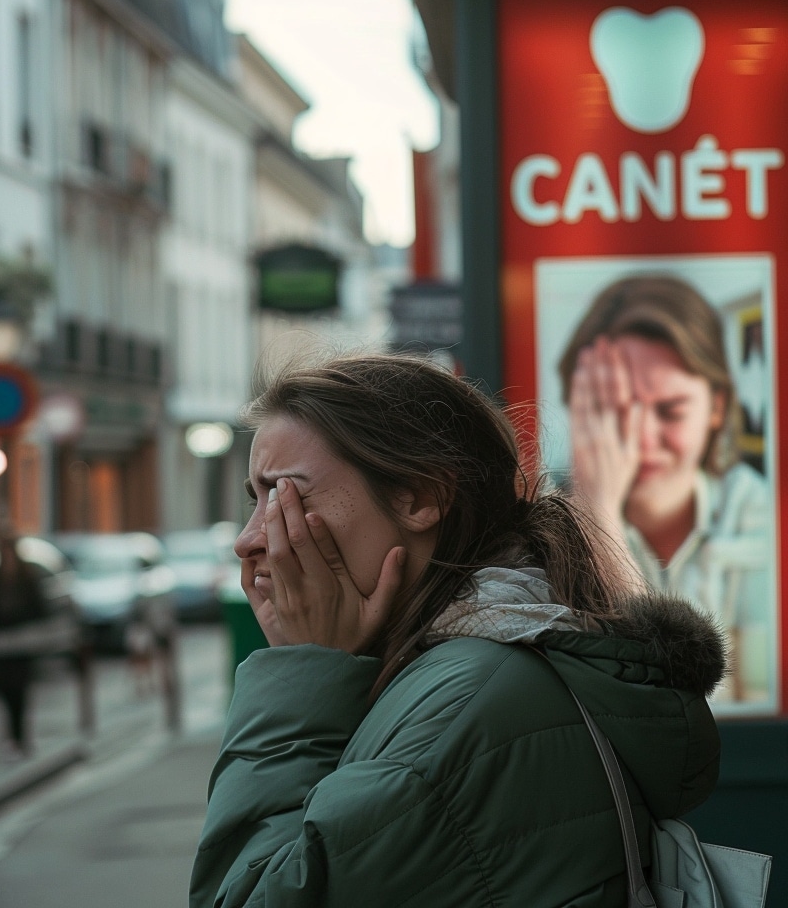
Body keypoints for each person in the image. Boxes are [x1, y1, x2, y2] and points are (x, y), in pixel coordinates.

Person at [190, 352, 726, 907]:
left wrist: (302, 670)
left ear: (421, 497)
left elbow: (250, 894)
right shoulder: (468, 671)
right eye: (255, 501)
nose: (250, 538)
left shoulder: (462, 705)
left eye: (284, 496)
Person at [556, 273, 774, 705]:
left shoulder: (758, 509)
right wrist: (595, 509)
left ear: (716, 406)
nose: (641, 437)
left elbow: (755, 694)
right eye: (615, 411)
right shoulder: (543, 523)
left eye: (670, 411)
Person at [0, 531, 50, 756]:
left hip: (22, 649)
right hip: (0, 652)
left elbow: (40, 611)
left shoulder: (28, 580)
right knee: (5, 694)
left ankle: (20, 737)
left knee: (20, 694)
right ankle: (11, 736)